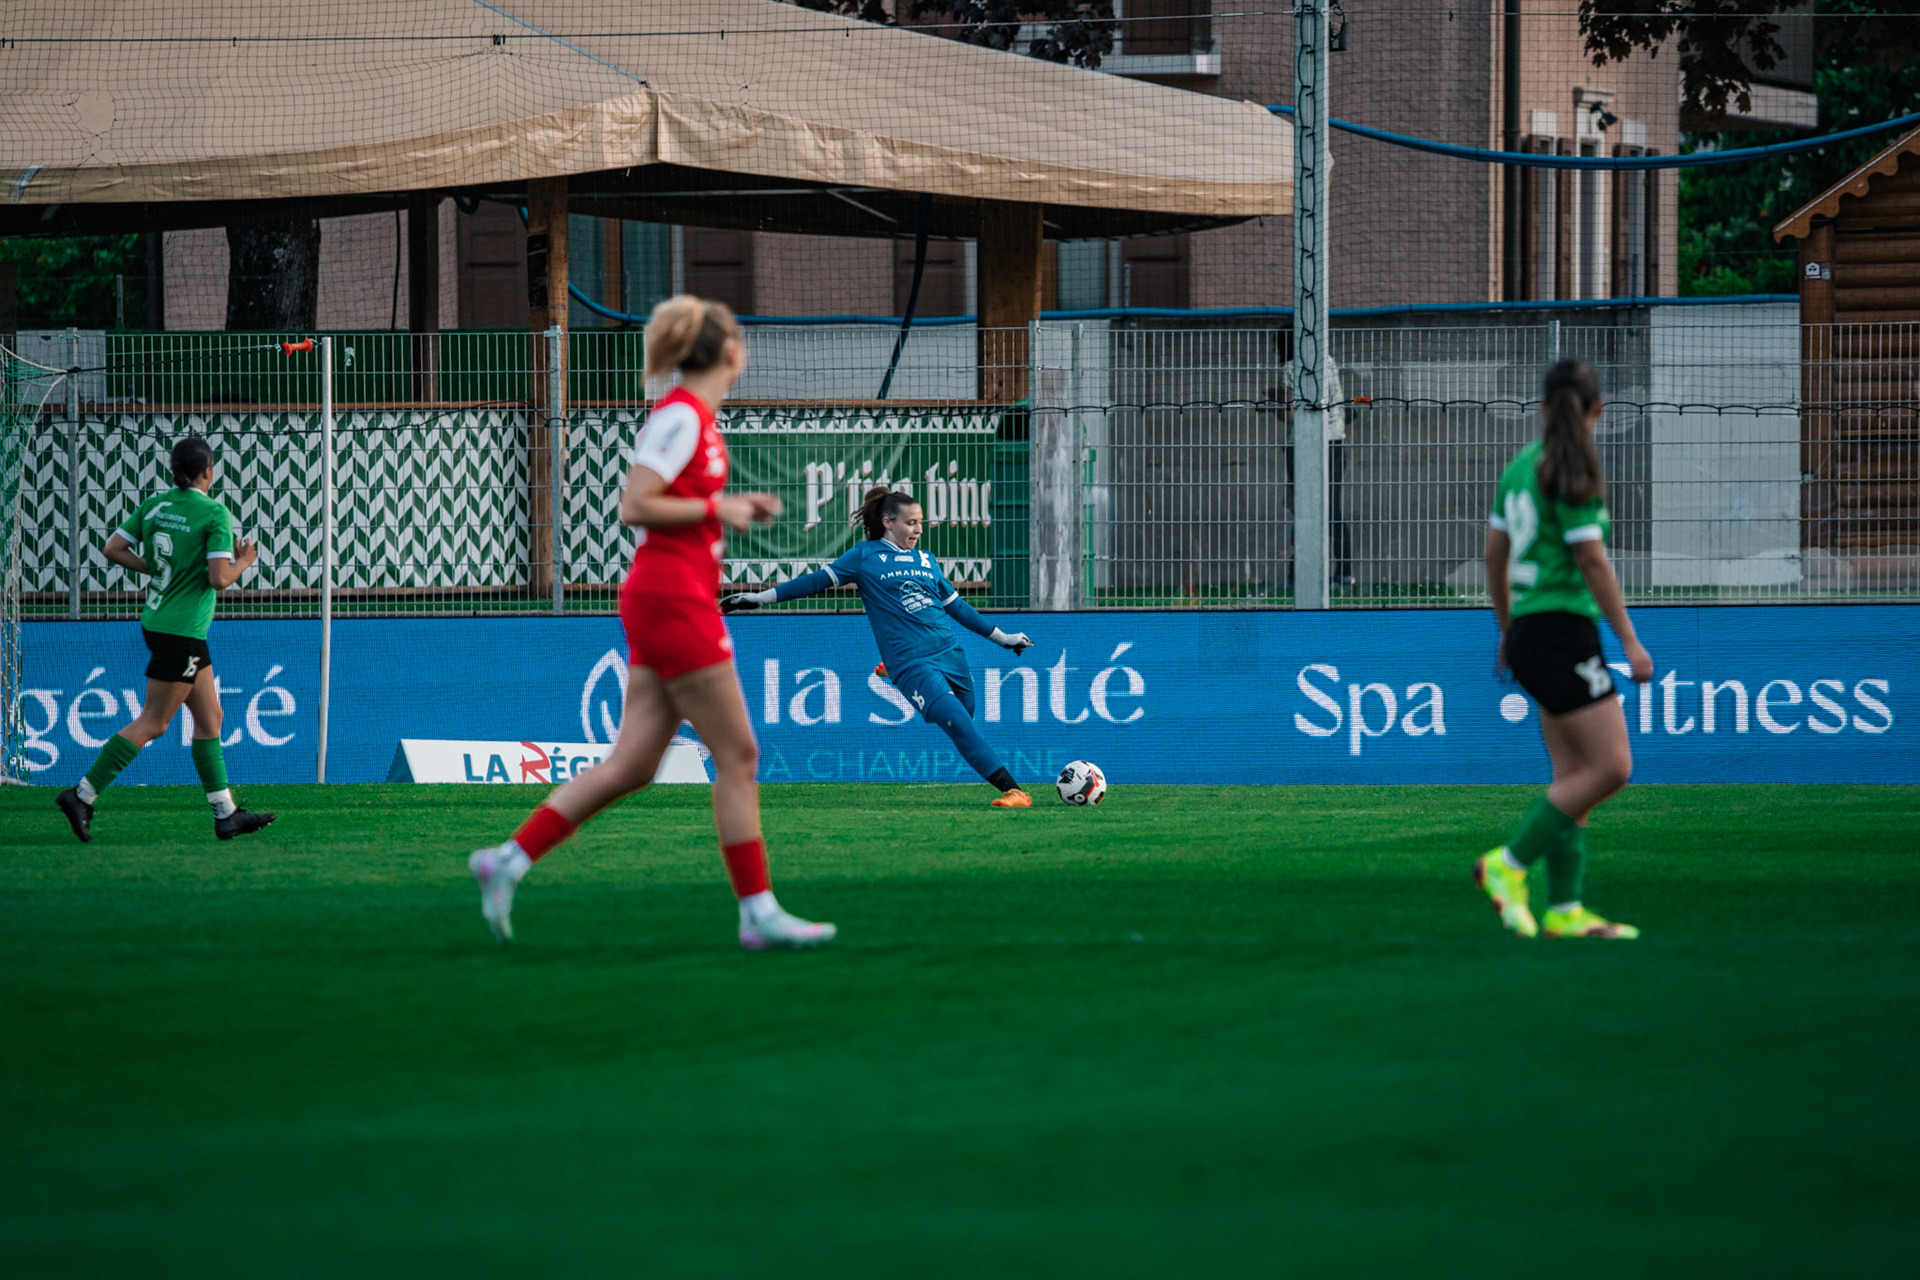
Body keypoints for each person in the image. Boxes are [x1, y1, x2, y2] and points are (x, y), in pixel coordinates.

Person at [468, 295, 835, 950]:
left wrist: (723, 508)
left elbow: (675, 501)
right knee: (740, 754)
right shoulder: (683, 416)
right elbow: (636, 504)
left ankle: (508, 861)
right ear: (729, 353)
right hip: (674, 599)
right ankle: (757, 913)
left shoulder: (692, 418)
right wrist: (720, 509)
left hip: (667, 594)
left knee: (635, 764)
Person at [1475, 359, 1652, 940]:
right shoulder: (1574, 470)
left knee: (1573, 773)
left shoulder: (1520, 467)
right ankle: (1509, 864)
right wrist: (1629, 640)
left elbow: (1494, 558)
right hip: (1562, 633)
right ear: (1599, 410)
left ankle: (1565, 910)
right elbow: (1591, 560)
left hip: (1529, 631)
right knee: (1611, 767)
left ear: (1544, 409)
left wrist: (1507, 628)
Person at [721, 487, 1036, 808]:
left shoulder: (926, 560)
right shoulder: (865, 556)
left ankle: (895, 676)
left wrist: (1004, 638)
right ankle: (1014, 791)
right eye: (911, 522)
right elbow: (814, 582)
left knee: (965, 720)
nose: (918, 529)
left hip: (950, 653)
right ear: (888, 522)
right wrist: (759, 598)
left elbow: (958, 608)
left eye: (920, 522)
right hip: (911, 661)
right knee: (954, 719)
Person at [55, 437, 276, 843]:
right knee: (154, 722)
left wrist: (157, 573)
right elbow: (218, 578)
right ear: (208, 470)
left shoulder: (157, 505)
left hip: (163, 622)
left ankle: (226, 814)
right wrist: (244, 560)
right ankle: (81, 795)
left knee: (211, 719)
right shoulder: (213, 514)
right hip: (182, 632)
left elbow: (113, 548)